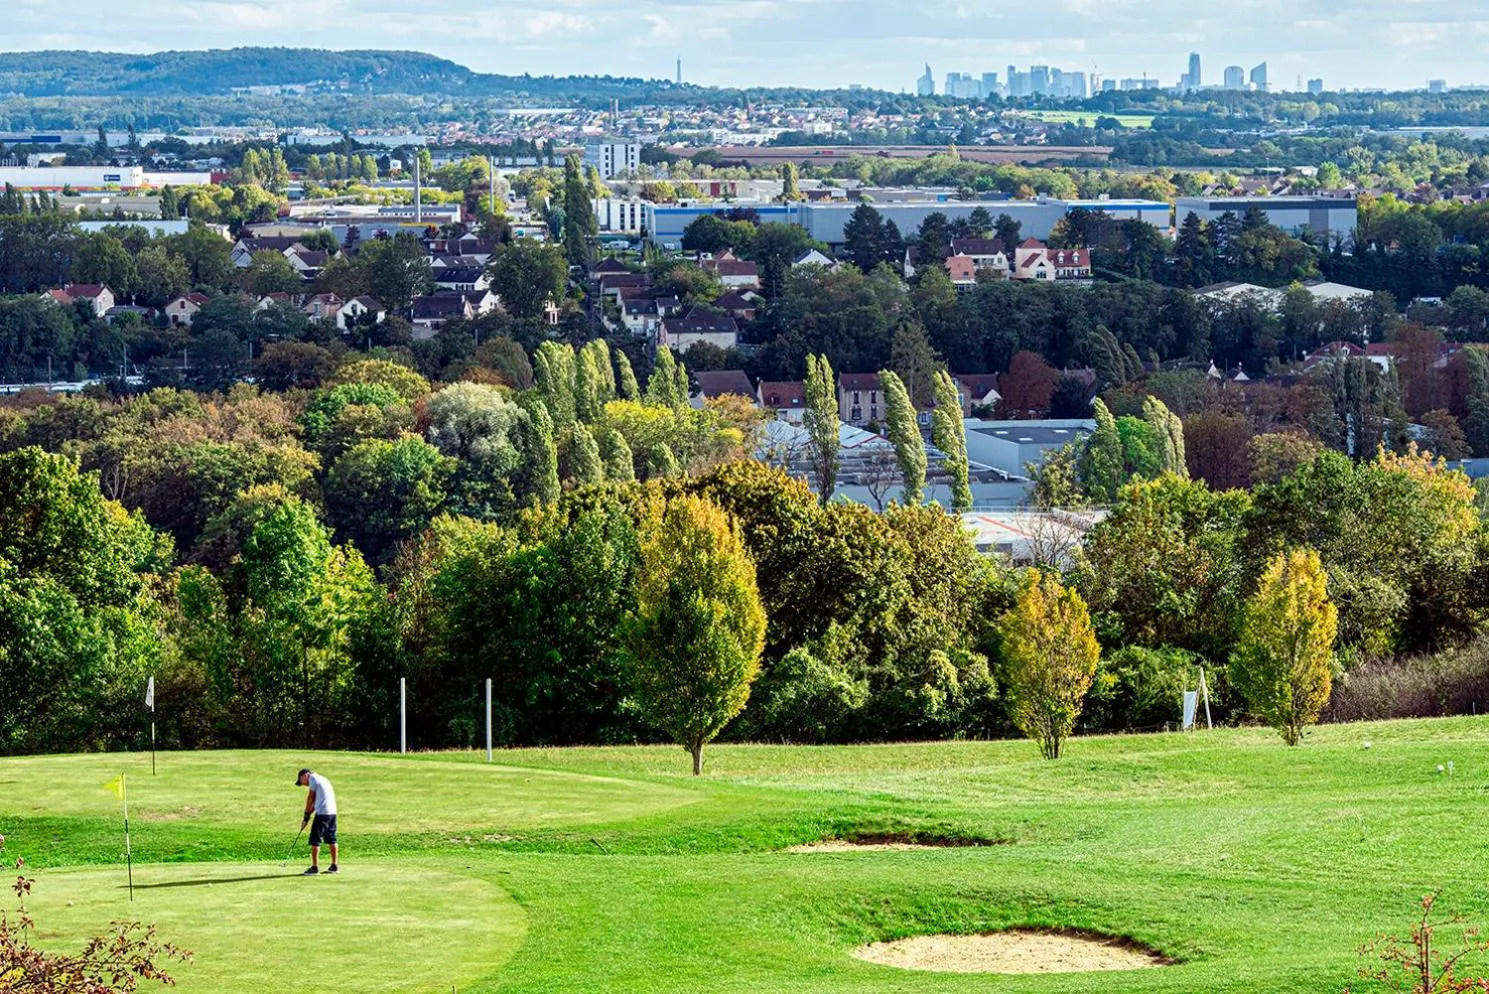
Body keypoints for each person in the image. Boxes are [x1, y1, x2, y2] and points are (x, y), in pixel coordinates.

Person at [295, 768, 338, 875]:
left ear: (304, 775)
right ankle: (334, 866)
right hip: (332, 814)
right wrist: (307, 817)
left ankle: (314, 868)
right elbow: (315, 802)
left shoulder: (312, 778)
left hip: (322, 814)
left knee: (315, 840)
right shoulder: (322, 779)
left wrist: (305, 815)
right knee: (331, 839)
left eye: (301, 781)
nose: (304, 784)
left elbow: (310, 798)